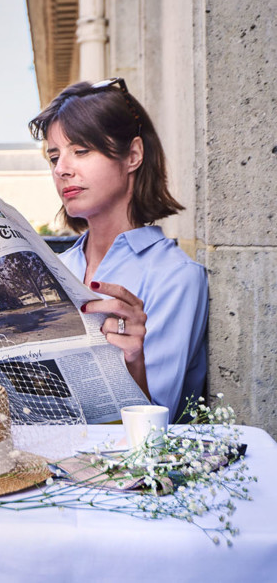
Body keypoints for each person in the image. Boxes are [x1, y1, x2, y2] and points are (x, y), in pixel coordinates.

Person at [29, 78, 208, 421]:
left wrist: (133, 360)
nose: (62, 169)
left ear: (133, 155)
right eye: (54, 156)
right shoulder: (53, 268)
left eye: (80, 150)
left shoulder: (175, 277)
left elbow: (157, 428)